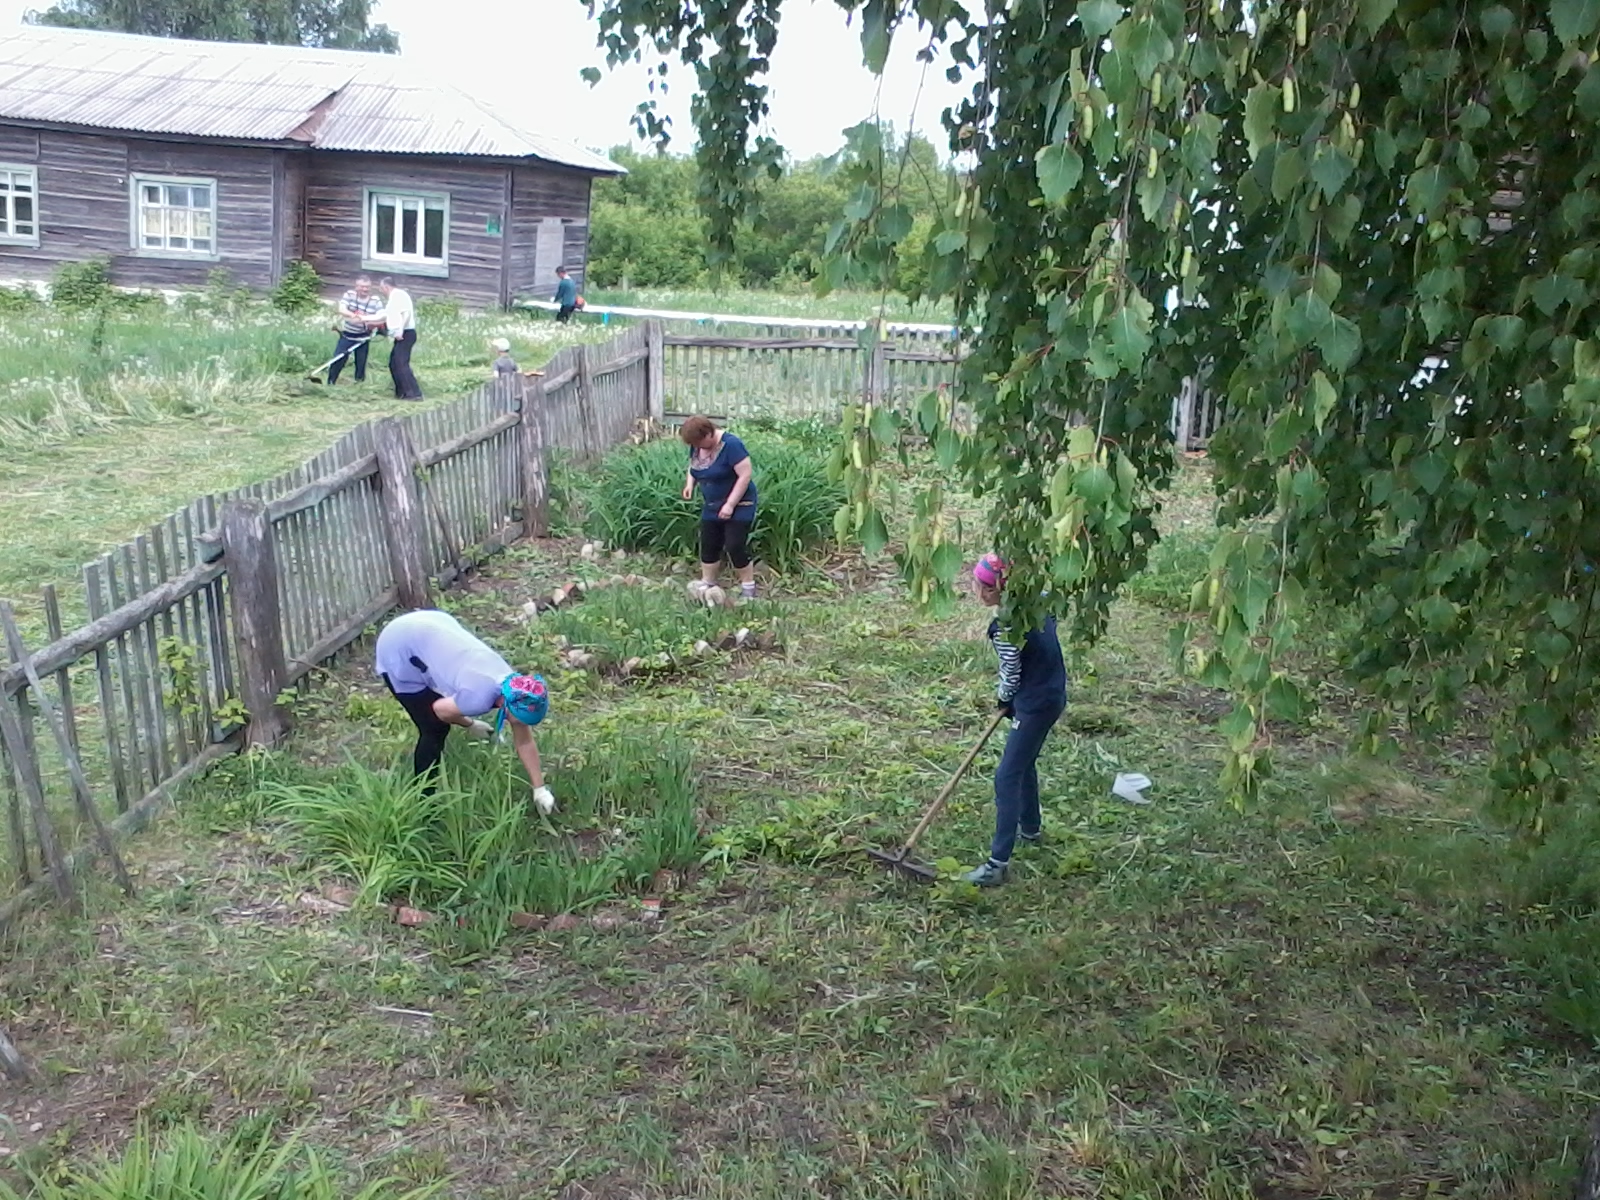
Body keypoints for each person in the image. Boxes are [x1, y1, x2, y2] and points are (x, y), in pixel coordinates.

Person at [374, 609, 555, 813]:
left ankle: (424, 799)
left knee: (442, 694)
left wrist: (539, 789)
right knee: (434, 728)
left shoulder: (515, 686)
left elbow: (524, 740)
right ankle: (423, 802)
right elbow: (440, 710)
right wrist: (470, 724)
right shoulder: (478, 698)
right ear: (507, 706)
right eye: (521, 718)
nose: (522, 723)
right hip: (398, 644)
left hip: (432, 624)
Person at [963, 553, 1067, 887]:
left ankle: (997, 863)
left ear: (999, 591)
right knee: (1024, 763)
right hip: (1052, 694)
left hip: (1035, 703)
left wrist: (1004, 700)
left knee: (1006, 776)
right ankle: (1031, 828)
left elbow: (1011, 673)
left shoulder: (1005, 628)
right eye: (978, 584)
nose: (978, 591)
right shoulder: (1039, 603)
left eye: (984, 587)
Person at [679, 414, 758, 601]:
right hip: (712, 504)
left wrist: (730, 504)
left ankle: (748, 586)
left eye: (700, 442)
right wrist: (690, 484)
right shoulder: (697, 446)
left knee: (734, 545)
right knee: (709, 543)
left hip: (740, 504)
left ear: (708, 433)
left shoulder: (731, 445)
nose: (697, 447)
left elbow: (745, 475)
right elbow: (693, 467)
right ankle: (708, 582)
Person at [327, 275, 382, 385]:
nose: (365, 289)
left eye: (367, 287)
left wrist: (369, 322)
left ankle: (359, 385)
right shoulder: (349, 295)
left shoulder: (376, 301)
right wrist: (356, 316)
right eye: (362, 287)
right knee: (338, 359)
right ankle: (331, 382)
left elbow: (381, 318)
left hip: (363, 336)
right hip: (347, 335)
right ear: (356, 287)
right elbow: (341, 309)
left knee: (361, 362)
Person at [376, 277, 423, 401]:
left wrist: (400, 330)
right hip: (400, 333)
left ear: (386, 287)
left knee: (401, 363)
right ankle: (401, 392)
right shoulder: (392, 300)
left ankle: (413, 393)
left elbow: (405, 313)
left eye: (381, 288)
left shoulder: (399, 295)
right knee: (393, 363)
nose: (381, 291)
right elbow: (385, 316)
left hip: (406, 333)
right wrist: (363, 319)